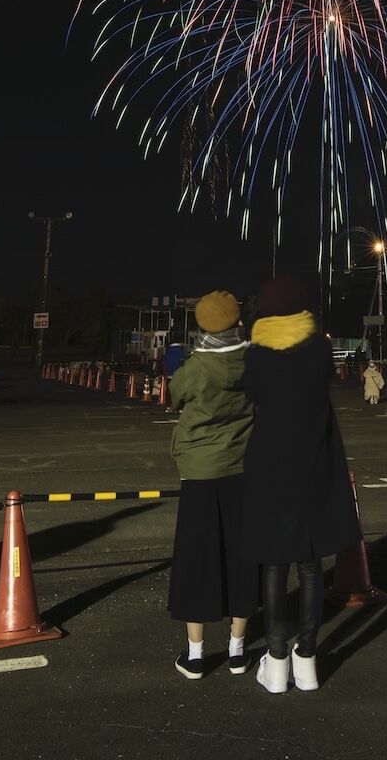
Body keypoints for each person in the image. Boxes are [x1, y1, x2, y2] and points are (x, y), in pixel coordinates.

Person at [241, 276, 361, 695]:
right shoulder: (319, 351)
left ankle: (275, 661)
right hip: (313, 467)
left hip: (269, 470)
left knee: (273, 564)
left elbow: (252, 395)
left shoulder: (256, 357)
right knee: (310, 564)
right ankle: (306, 658)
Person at [167, 290, 257, 680]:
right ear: (238, 321)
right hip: (242, 465)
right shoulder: (253, 361)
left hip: (200, 471)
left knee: (197, 558)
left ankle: (197, 654)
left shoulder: (196, 367)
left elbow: (174, 396)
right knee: (242, 554)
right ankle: (238, 650)